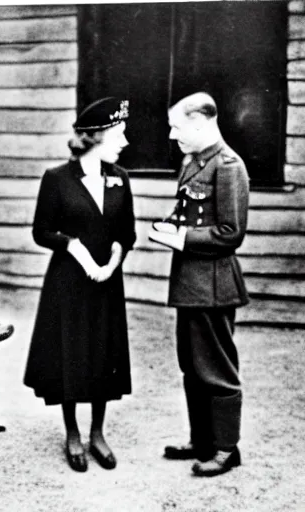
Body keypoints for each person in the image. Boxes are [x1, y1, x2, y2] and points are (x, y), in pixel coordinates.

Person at [24, 97, 136, 472]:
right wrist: (76, 249)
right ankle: (73, 434)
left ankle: (98, 434)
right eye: (119, 134)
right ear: (97, 136)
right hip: (69, 283)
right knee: (70, 355)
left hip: (106, 283)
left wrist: (111, 263)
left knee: (103, 354)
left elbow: (127, 233)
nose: (125, 141)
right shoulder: (57, 179)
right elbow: (42, 232)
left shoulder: (121, 177)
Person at [149, 92, 249, 476]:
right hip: (190, 283)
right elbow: (187, 212)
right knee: (192, 366)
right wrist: (170, 226)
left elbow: (230, 233)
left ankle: (227, 449)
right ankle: (202, 440)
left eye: (177, 127)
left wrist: (180, 239)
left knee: (217, 370)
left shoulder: (228, 166)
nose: (173, 136)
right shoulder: (193, 163)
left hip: (213, 284)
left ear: (201, 122)